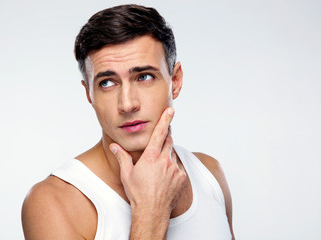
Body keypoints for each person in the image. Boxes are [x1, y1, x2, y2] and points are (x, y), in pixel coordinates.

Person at [22, 4, 235, 240]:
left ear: (175, 81)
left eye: (144, 77)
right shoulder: (54, 201)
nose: (127, 104)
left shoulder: (209, 173)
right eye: (107, 82)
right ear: (89, 94)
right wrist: (150, 212)